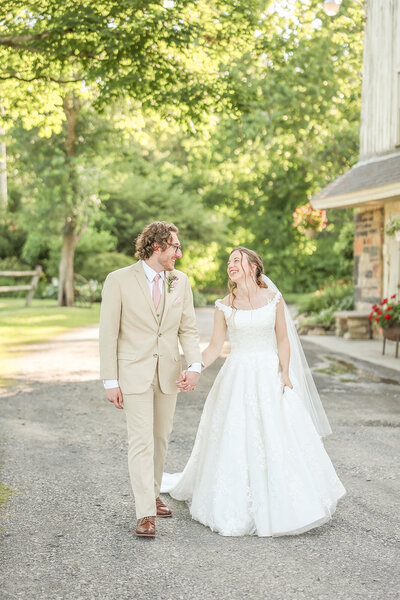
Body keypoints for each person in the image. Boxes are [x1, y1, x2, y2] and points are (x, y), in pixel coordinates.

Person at [162, 246, 346, 537]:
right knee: (236, 437)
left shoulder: (273, 299)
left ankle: (287, 500)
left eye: (237, 260)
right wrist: (194, 368)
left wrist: (285, 374)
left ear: (253, 267)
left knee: (277, 435)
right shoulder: (224, 305)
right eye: (228, 262)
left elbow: (283, 339)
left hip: (269, 372)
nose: (230, 265)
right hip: (237, 375)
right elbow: (214, 347)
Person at [99, 221, 201, 538]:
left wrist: (194, 364)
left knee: (160, 438)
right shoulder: (118, 281)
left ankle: (153, 493)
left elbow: (188, 328)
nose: (179, 253)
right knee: (140, 442)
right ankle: (145, 513)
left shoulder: (180, 282)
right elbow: (108, 334)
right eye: (175, 246)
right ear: (157, 247)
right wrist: (109, 380)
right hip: (133, 373)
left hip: (168, 373)